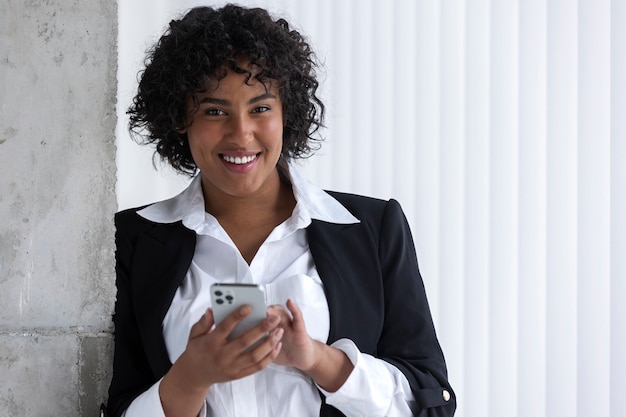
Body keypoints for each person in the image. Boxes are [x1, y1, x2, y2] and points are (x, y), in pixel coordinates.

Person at [106, 4, 455, 417]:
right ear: (180, 118)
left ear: (287, 111)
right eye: (214, 110)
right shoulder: (129, 241)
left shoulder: (373, 229)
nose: (241, 133)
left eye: (260, 108)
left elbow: (431, 402)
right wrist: (191, 378)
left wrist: (318, 360)